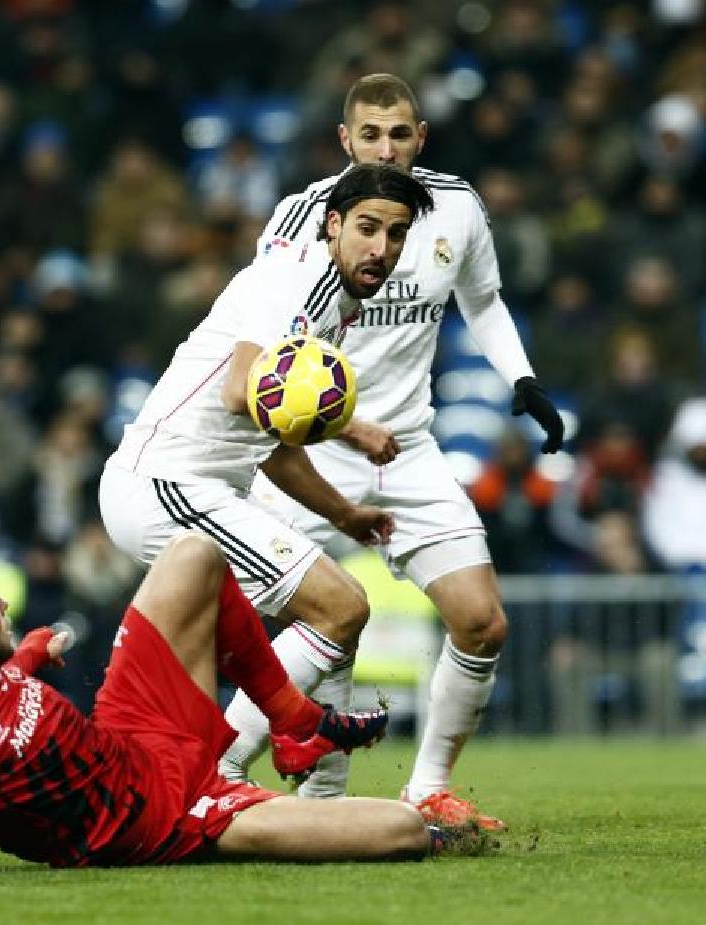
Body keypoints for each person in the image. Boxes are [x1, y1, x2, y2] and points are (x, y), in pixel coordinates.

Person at [219, 74, 564, 830]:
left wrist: (524, 379)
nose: (386, 148)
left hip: (408, 450)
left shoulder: (457, 209)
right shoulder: (301, 216)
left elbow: (483, 301)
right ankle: (233, 772)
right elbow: (264, 331)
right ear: (345, 141)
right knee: (303, 626)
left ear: (421, 137)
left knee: (482, 621)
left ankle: (426, 786)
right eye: (370, 136)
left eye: (399, 134)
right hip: (308, 451)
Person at [0, 533, 434, 881]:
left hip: (132, 728)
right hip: (165, 818)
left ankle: (291, 722)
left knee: (195, 553)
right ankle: (253, 779)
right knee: (402, 829)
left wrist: (24, 656)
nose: (2, 598)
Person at [97, 163, 431, 798]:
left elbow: (271, 442)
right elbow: (236, 390)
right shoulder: (297, 279)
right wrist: (352, 425)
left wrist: (344, 515)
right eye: (367, 228)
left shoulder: (332, 307)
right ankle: (220, 771)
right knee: (341, 605)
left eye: (395, 235)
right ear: (333, 224)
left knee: (335, 616)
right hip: (166, 481)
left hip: (202, 486)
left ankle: (323, 796)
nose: (380, 249)